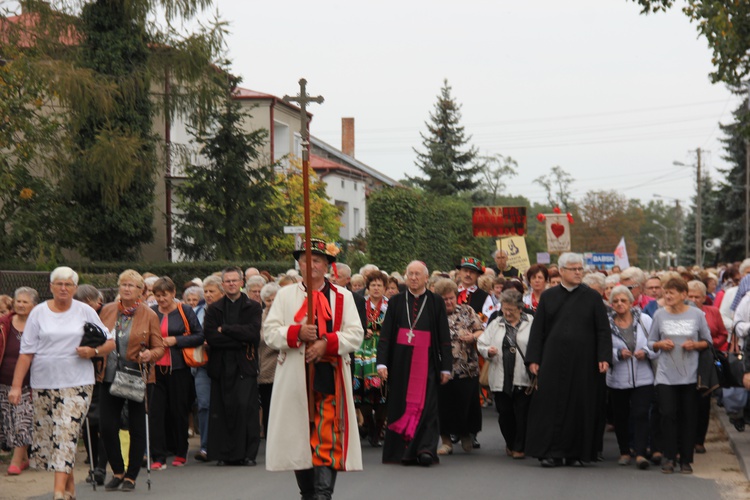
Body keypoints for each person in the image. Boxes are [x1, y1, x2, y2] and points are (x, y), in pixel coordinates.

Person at [264, 239, 364, 499]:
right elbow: (270, 333)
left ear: (328, 265)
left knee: (326, 433)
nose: (311, 265)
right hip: (296, 377)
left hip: (330, 377)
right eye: (306, 260)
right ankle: (308, 493)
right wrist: (296, 332)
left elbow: (355, 335)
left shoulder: (343, 297)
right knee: (299, 436)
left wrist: (325, 344)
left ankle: (322, 495)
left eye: (317, 260)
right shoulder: (286, 295)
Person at [9, 267, 114, 500]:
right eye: (59, 284)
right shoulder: (38, 313)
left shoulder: (85, 311)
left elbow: (109, 342)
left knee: (66, 432)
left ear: (75, 288)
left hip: (78, 384)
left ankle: (57, 493)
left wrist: (93, 350)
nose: (63, 288)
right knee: (51, 437)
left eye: (68, 284)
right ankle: (69, 490)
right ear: (51, 287)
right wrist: (17, 386)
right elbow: (26, 353)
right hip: (44, 383)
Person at [525, 253, 612, 467]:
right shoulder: (549, 296)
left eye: (580, 269)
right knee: (550, 405)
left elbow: (602, 329)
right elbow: (538, 331)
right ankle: (551, 452)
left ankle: (576, 453)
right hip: (553, 360)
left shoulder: (592, 297)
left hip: (584, 361)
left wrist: (604, 356)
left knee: (580, 405)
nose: (578, 272)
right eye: (573, 269)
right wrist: (534, 358)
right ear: (561, 271)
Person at [377, 260, 452, 466]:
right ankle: (402, 450)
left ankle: (425, 449)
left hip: (427, 361)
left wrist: (446, 366)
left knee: (427, 406)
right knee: (401, 405)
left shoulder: (436, 301)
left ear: (426, 278)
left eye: (418, 274)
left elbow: (444, 337)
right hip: (400, 362)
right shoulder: (396, 302)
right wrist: (381, 363)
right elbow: (385, 336)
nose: (413, 278)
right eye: (410, 273)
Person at [98, 269, 164, 492]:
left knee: (137, 427)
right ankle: (117, 471)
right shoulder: (106, 311)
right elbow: (96, 337)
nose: (126, 288)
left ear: (140, 291)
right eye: (123, 284)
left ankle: (132, 475)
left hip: (136, 375)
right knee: (107, 426)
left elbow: (159, 347)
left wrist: (150, 355)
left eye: (132, 285)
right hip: (109, 375)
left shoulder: (149, 315)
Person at [648, 277, 712, 474]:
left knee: (688, 417)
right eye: (666, 292)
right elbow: (651, 342)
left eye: (671, 293)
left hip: (690, 376)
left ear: (684, 295)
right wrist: (660, 345)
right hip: (666, 375)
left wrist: (695, 345)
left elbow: (707, 342)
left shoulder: (696, 315)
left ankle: (685, 459)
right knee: (667, 415)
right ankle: (669, 457)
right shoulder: (659, 315)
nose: (667, 296)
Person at [203, 267, 262, 466]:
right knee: (222, 408)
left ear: (241, 282)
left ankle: (247, 454)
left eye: (234, 280)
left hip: (244, 364)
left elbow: (253, 335)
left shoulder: (252, 307)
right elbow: (211, 337)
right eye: (227, 281)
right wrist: (239, 337)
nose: (231, 284)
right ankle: (224, 454)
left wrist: (226, 329)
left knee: (246, 408)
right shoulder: (214, 309)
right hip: (221, 365)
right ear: (222, 284)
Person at [149, 277, 203, 469]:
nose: (161, 299)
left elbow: (199, 335)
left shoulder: (184, 310)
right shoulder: (151, 312)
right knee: (156, 413)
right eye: (157, 295)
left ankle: (181, 452)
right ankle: (158, 457)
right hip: (155, 370)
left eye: (165, 295)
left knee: (178, 412)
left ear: (173, 294)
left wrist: (175, 341)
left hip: (179, 368)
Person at [477, 289, 533, 459]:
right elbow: (482, 342)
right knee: (505, 413)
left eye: (512, 309)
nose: (507, 313)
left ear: (520, 308)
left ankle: (519, 446)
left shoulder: (531, 322)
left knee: (522, 413)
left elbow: (538, 344)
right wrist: (488, 351)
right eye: (504, 308)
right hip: (500, 374)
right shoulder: (496, 323)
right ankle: (510, 442)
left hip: (523, 375)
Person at [606, 285, 656, 470]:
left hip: (643, 376)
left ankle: (641, 452)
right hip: (617, 378)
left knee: (641, 413)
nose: (620, 304)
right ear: (611, 304)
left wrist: (646, 351)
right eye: (616, 301)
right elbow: (602, 349)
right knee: (621, 416)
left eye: (623, 300)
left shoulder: (645, 320)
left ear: (631, 302)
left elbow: (656, 343)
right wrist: (617, 354)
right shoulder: (606, 323)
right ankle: (625, 451)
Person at [433, 278, 483, 455]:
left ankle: (465, 434)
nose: (448, 302)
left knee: (466, 404)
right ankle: (446, 441)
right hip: (442, 369)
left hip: (467, 367)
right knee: (443, 406)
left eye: (451, 298)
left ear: (456, 296)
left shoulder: (467, 311)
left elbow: (480, 329)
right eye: (444, 299)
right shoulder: (434, 314)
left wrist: (473, 337)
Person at [687, 279, 728, 454]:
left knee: (703, 402)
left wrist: (708, 344)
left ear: (704, 298)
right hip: (685, 361)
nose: (694, 299)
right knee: (687, 402)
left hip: (706, 361)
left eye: (697, 296)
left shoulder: (712, 312)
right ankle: (686, 438)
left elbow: (722, 334)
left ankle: (699, 440)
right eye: (690, 296)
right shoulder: (680, 314)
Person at [0, 287, 38, 475]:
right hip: (4, 380)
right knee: (8, 421)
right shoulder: (3, 324)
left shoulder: (39, 325)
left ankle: (15, 461)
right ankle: (23, 459)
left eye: (25, 302)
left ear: (34, 305)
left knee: (23, 420)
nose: (21, 305)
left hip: (29, 382)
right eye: (18, 301)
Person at [354, 270, 389, 447]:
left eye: (379, 285)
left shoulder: (390, 305)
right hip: (362, 350)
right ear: (368, 287)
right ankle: (369, 422)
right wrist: (362, 330)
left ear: (385, 287)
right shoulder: (360, 303)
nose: (376, 288)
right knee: (362, 393)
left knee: (383, 392)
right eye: (373, 285)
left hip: (383, 350)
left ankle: (378, 429)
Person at [193, 275, 224, 463]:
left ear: (221, 292)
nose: (208, 294)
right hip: (202, 364)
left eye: (212, 291)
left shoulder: (227, 311)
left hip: (223, 363)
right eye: (206, 291)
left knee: (222, 405)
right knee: (204, 404)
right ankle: (205, 446)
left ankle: (221, 445)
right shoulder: (197, 311)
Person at [258, 281, 280, 440]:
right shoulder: (260, 316)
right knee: (266, 403)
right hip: (263, 364)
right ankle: (268, 434)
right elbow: (259, 337)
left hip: (279, 363)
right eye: (268, 300)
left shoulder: (283, 315)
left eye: (274, 299)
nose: (271, 303)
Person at [456, 257, 495, 323]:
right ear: (460, 273)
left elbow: (489, 317)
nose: (468, 274)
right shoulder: (452, 293)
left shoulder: (484, 297)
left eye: (472, 272)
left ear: (478, 275)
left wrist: (477, 319)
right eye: (465, 271)